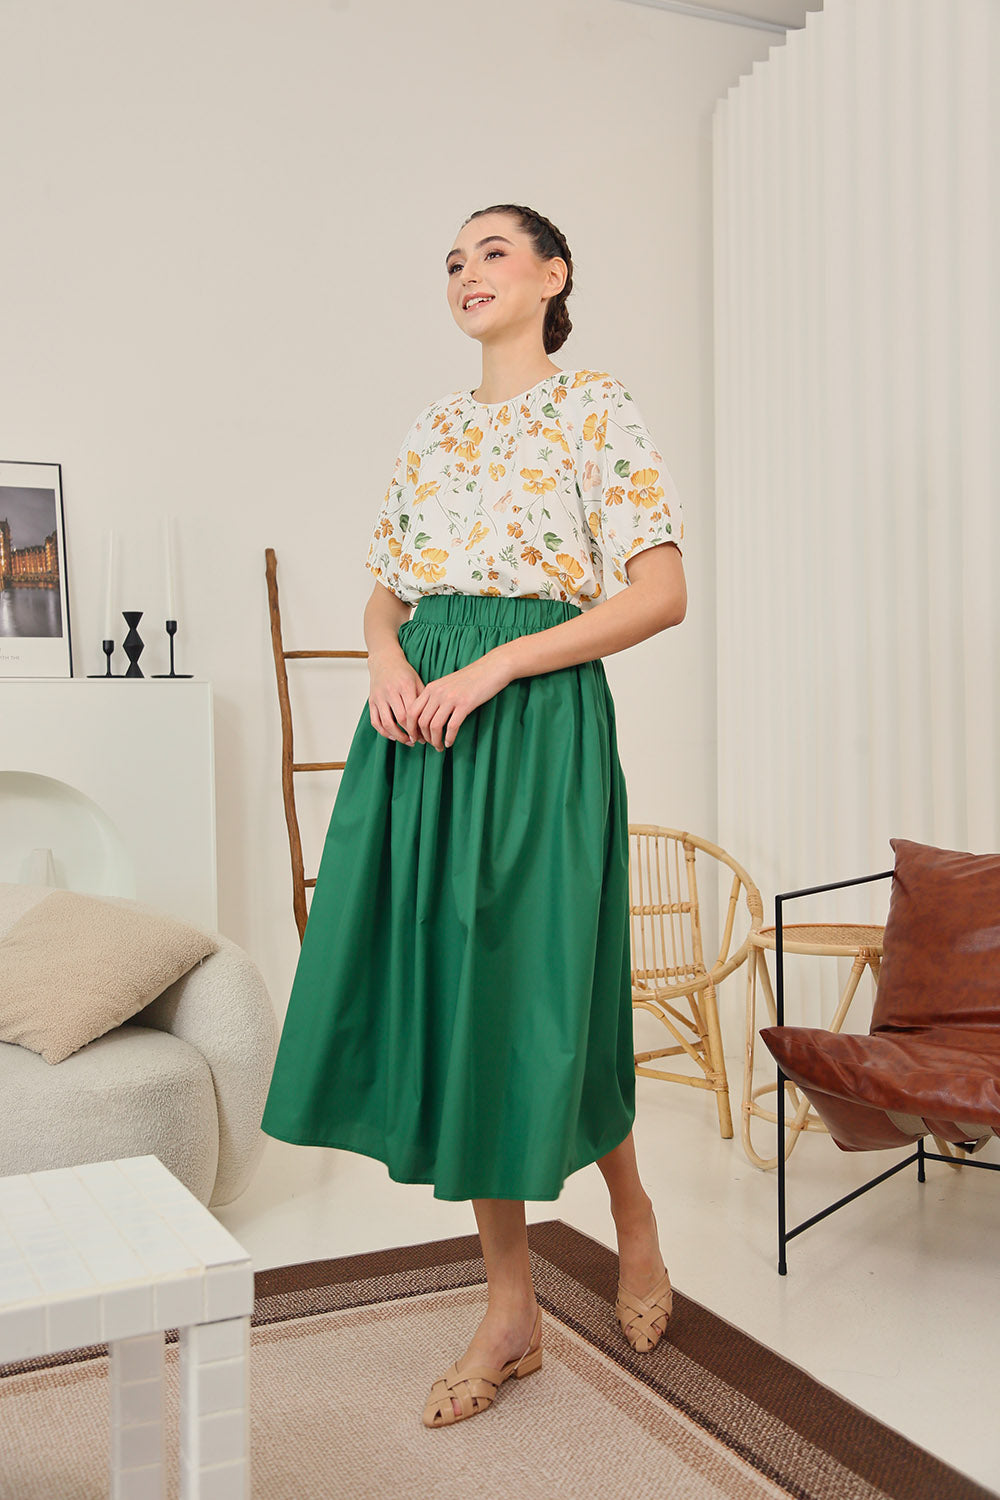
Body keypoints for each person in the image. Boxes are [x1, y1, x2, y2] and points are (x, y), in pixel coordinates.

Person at [261, 202, 687, 1428]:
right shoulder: (434, 428)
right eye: (452, 260)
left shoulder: (595, 407)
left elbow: (658, 594)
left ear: (554, 275)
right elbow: (386, 596)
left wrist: (499, 664)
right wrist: (386, 660)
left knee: (541, 987)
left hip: (534, 719)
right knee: (462, 1002)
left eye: (492, 251)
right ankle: (511, 1308)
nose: (466, 272)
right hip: (423, 731)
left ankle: (632, 1212)